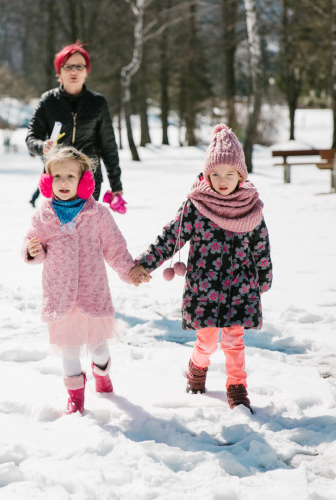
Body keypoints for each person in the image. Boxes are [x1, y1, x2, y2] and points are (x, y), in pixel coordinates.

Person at [129, 124, 273, 413]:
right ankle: (197, 366)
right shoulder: (196, 206)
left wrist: (264, 277)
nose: (222, 180)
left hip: (240, 287)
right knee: (206, 341)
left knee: (234, 340)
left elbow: (261, 246)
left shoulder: (250, 207)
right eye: (215, 174)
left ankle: (237, 386)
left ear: (240, 176)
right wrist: (146, 262)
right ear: (207, 175)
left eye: (229, 174)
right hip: (204, 287)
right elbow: (171, 236)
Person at [22, 146, 134, 415]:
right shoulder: (43, 215)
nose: (63, 182)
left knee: (98, 348)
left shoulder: (98, 214)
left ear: (84, 180)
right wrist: (32, 251)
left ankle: (102, 374)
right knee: (68, 350)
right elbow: (31, 242)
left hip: (91, 292)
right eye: (56, 176)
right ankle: (75, 397)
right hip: (59, 294)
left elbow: (115, 248)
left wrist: (129, 270)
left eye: (70, 176)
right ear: (47, 181)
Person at [26, 42, 123, 206]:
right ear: (59, 72)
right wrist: (42, 147)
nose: (74, 71)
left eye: (79, 66)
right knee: (59, 230)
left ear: (86, 71)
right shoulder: (48, 101)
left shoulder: (97, 103)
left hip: (88, 179)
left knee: (85, 229)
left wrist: (116, 185)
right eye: (68, 66)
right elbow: (31, 138)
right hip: (57, 178)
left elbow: (109, 147)